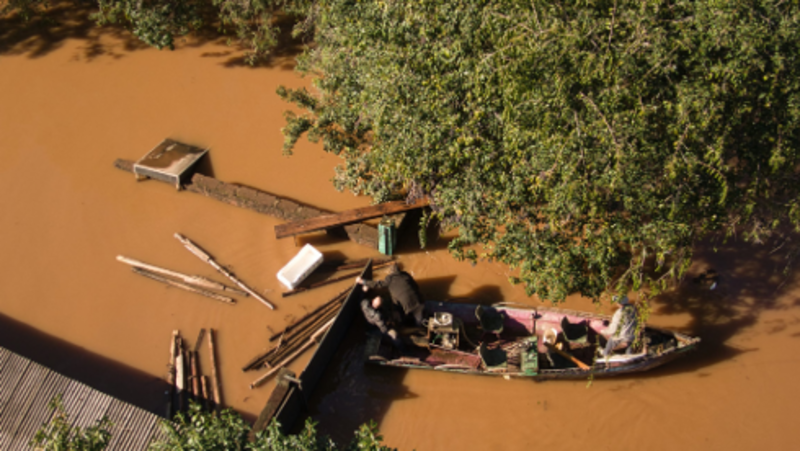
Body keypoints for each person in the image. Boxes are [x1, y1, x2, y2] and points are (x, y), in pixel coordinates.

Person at [355, 264, 425, 327]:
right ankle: (419, 328)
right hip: (418, 303)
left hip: (404, 307)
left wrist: (363, 281)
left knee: (401, 319)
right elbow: (416, 286)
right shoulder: (406, 275)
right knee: (419, 323)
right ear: (399, 270)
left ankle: (403, 326)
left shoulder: (389, 279)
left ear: (390, 272)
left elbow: (378, 284)